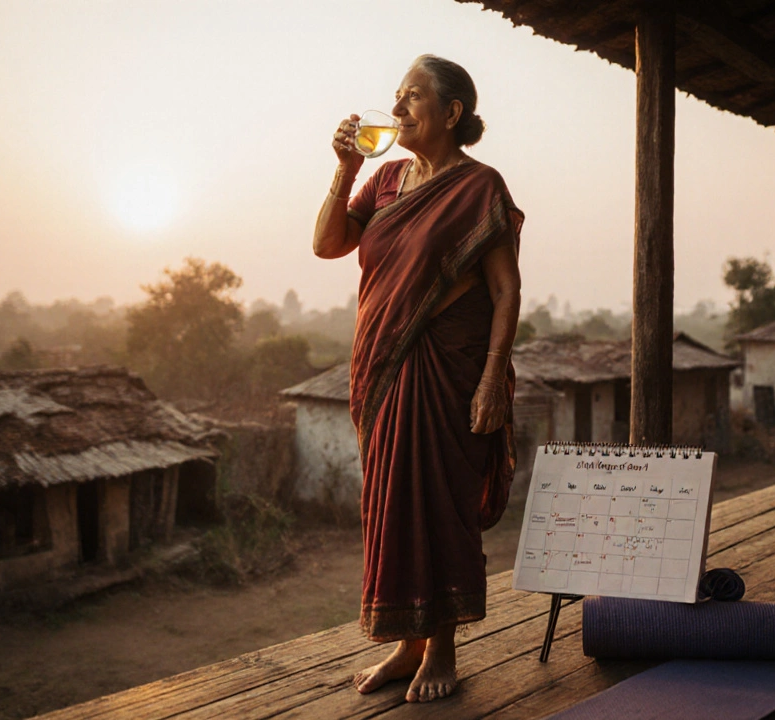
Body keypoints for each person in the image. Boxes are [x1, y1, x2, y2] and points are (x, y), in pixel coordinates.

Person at [312, 54, 523, 703]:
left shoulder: (479, 187)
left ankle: (443, 649)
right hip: (381, 369)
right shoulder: (383, 180)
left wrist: (491, 380)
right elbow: (327, 244)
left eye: (412, 99)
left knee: (440, 502)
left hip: (448, 372)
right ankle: (406, 645)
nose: (397, 110)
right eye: (396, 98)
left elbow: (505, 290)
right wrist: (346, 169)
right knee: (391, 506)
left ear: (452, 113)